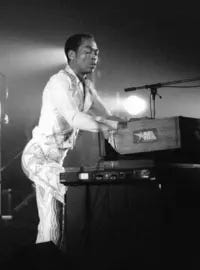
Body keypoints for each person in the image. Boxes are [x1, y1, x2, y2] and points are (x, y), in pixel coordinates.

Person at [21, 33, 124, 247]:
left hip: (55, 162)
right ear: (71, 55)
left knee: (52, 222)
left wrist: (130, 125)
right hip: (38, 157)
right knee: (72, 193)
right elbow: (75, 118)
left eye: (96, 53)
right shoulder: (59, 82)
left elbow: (107, 115)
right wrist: (105, 126)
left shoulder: (85, 87)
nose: (94, 57)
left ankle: (51, 258)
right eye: (87, 52)